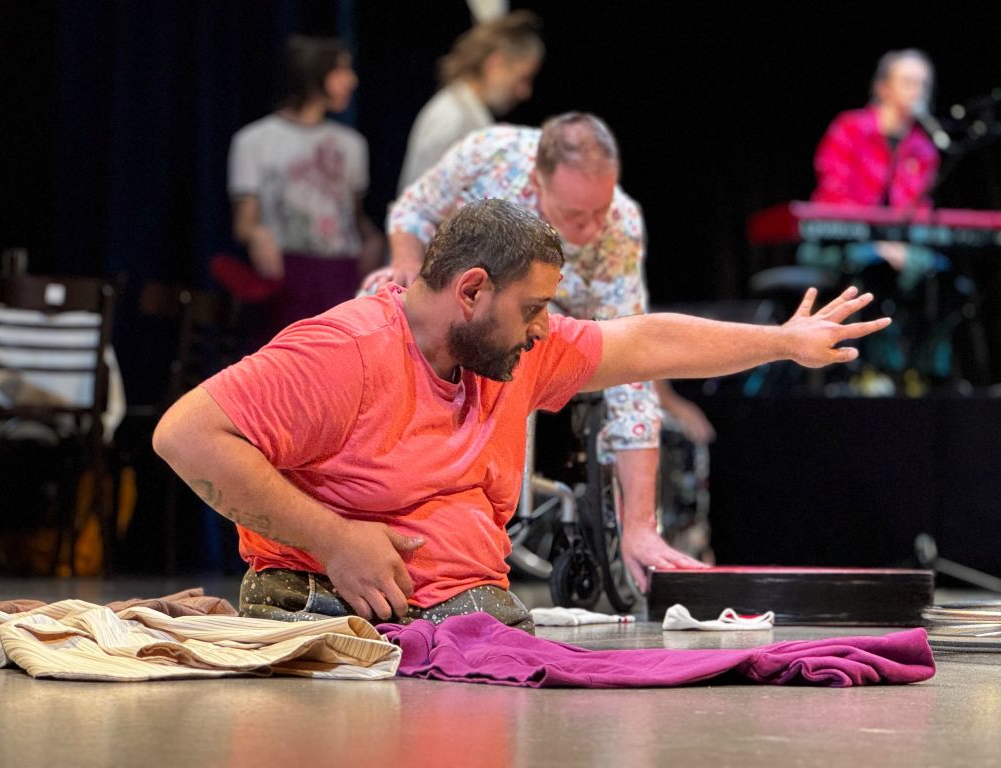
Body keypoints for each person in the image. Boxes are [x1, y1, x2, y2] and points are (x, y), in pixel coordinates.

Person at [153, 198, 890, 632]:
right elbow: (185, 434)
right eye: (533, 308)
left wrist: (783, 342)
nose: (543, 328)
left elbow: (645, 341)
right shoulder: (345, 350)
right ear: (472, 291)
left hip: (471, 617)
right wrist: (334, 538)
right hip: (333, 612)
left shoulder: (513, 351)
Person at [370, 112, 714, 591]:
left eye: (600, 210)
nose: (592, 229)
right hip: (466, 307)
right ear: (536, 183)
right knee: (382, 300)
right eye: (576, 216)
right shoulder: (486, 154)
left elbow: (633, 369)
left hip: (558, 326)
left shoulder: (619, 226)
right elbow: (413, 210)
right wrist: (405, 262)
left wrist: (639, 525)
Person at [227, 35, 384, 344]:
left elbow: (352, 217)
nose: (351, 80)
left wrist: (372, 239)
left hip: (340, 274)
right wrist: (257, 234)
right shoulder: (254, 141)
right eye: (340, 70)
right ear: (313, 72)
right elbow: (245, 222)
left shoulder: (351, 144)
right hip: (288, 276)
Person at [804, 49, 948, 384]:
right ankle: (869, 372)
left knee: (943, 276)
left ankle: (923, 375)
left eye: (924, 84)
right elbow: (834, 197)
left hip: (899, 247)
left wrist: (903, 246)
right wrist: (879, 243)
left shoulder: (923, 148)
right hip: (837, 243)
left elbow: (918, 209)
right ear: (883, 87)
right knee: (875, 268)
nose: (917, 92)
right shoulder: (849, 129)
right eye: (908, 82)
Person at [397, 10, 543, 194]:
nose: (525, 92)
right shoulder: (453, 117)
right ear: (496, 64)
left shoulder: (468, 113)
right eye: (523, 78)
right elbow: (426, 201)